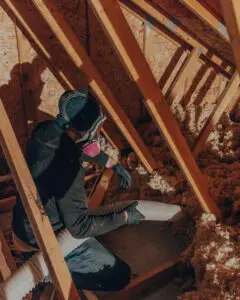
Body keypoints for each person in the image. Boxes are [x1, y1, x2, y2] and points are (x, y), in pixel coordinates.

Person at [12, 89, 144, 295]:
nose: (96, 133)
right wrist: (124, 216)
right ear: (82, 131)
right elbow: (80, 229)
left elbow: (79, 147)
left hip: (23, 223)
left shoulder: (44, 130)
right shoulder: (70, 169)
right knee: (119, 276)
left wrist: (112, 164)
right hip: (43, 239)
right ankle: (44, 275)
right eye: (94, 129)